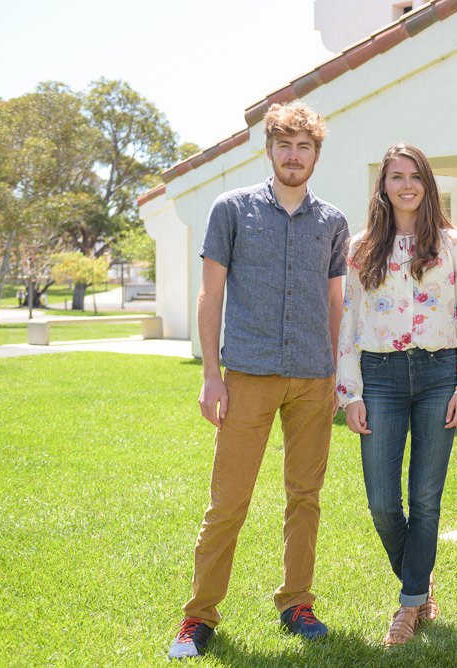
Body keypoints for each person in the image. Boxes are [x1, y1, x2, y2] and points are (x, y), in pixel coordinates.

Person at [167, 101, 349, 659]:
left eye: (305, 147)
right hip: (246, 376)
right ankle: (198, 617)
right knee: (229, 501)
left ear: (316, 153)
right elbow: (211, 294)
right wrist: (211, 377)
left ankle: (297, 601)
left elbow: (334, 301)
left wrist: (335, 375)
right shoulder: (232, 209)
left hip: (313, 380)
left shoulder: (333, 222)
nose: (294, 156)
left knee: (306, 496)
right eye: (285, 146)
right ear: (268, 149)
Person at [336, 143, 457, 646]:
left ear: (427, 183)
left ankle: (407, 605)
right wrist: (349, 393)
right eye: (395, 176)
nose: (405, 185)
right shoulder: (360, 248)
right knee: (381, 501)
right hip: (380, 376)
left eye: (414, 175)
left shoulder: (454, 243)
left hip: (439, 372)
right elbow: (348, 324)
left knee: (425, 498)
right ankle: (420, 583)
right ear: (383, 186)